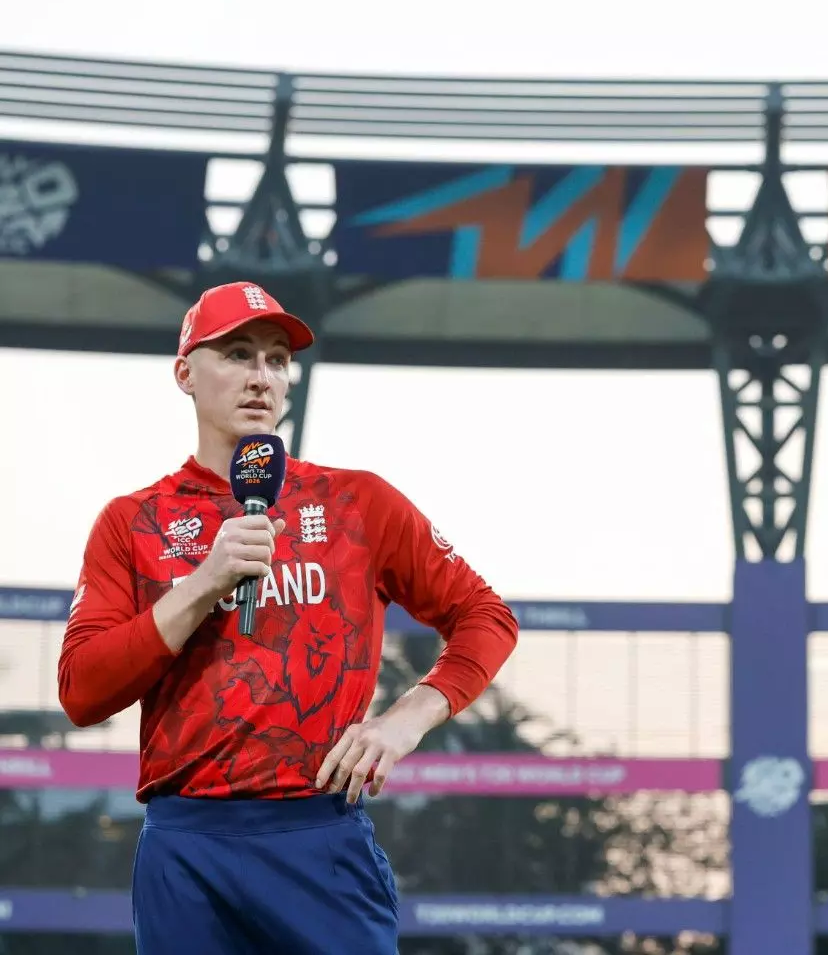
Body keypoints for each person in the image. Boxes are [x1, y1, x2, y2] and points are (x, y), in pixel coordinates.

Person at [57, 280, 521, 955]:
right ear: (185, 372)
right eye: (238, 354)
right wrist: (204, 583)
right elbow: (81, 692)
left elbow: (485, 614)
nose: (261, 377)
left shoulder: (357, 502)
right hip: (186, 844)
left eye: (277, 360)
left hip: (318, 835)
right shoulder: (133, 522)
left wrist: (409, 717)